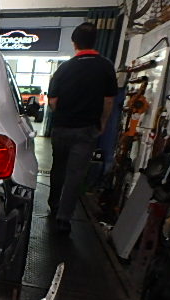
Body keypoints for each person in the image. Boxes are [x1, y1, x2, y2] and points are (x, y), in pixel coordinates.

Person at [47, 22, 118, 234]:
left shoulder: (64, 68)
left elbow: (52, 101)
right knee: (75, 174)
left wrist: (64, 112)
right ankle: (64, 219)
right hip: (87, 130)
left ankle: (53, 204)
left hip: (61, 127)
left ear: (74, 43)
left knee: (58, 168)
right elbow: (108, 101)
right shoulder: (105, 67)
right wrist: (102, 123)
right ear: (95, 41)